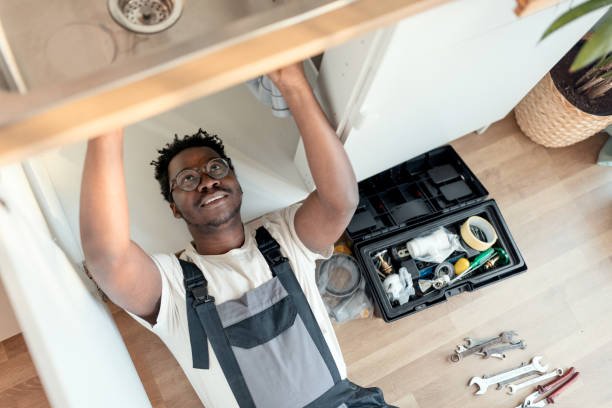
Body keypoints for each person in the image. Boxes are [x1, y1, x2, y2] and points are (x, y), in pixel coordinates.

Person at [80, 62, 395, 407]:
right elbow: (107, 257)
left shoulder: (283, 236)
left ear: (236, 183)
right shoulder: (171, 286)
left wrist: (291, 80)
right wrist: (108, 123)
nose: (207, 180)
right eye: (187, 179)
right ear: (174, 207)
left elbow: (340, 200)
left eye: (216, 167)